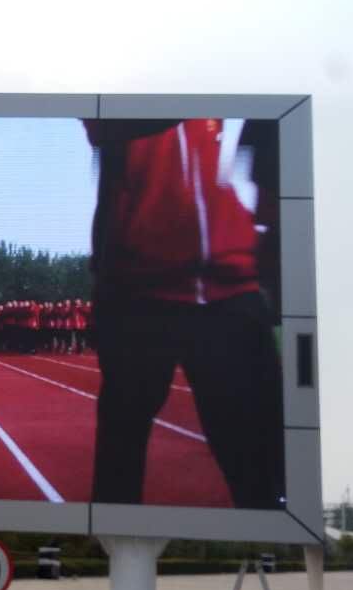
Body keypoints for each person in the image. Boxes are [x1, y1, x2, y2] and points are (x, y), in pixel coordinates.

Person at [85, 117, 283, 510]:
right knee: (119, 467)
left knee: (263, 470)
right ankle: (112, 541)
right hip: (138, 290)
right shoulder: (122, 91)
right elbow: (101, 127)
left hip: (230, 287)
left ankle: (274, 535)